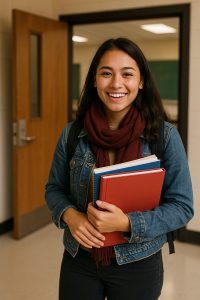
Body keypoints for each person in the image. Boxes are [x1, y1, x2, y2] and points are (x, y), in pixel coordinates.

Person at [45, 38, 194, 300]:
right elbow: (54, 189)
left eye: (127, 74)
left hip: (139, 262)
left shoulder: (165, 136)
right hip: (80, 258)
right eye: (106, 73)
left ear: (141, 81)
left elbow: (182, 207)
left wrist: (126, 222)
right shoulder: (72, 134)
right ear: (94, 80)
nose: (116, 84)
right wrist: (71, 215)